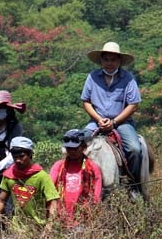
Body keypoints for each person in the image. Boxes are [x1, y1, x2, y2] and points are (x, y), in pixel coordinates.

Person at [81, 41, 143, 192]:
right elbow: (86, 101)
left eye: (113, 59)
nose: (109, 63)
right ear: (101, 60)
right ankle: (77, 183)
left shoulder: (128, 78)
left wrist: (114, 122)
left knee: (135, 149)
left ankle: (133, 185)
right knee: (77, 144)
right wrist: (98, 119)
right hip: (97, 121)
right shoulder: (92, 77)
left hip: (122, 122)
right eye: (106, 59)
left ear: (119, 61)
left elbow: (133, 104)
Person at [0, 136, 59, 232]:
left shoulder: (42, 177)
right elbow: (1, 201)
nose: (17, 160)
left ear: (30, 154)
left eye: (21, 156)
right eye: (14, 157)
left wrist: (49, 225)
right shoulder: (9, 175)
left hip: (39, 229)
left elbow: (53, 202)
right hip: (17, 230)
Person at [49, 129, 103, 227]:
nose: (71, 151)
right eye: (69, 149)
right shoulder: (58, 166)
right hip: (60, 217)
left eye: (75, 149)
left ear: (83, 147)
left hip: (83, 219)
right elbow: (50, 190)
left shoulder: (93, 168)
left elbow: (96, 196)